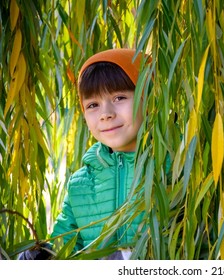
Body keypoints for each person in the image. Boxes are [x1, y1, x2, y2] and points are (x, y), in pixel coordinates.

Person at [19, 48, 149, 260]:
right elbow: (65, 246)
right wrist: (43, 255)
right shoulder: (80, 183)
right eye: (93, 104)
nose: (106, 114)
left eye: (119, 97)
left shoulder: (175, 166)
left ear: (150, 98)